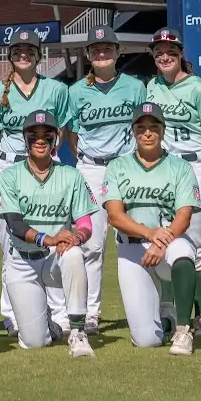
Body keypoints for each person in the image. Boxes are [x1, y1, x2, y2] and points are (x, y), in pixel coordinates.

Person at [0, 30, 73, 338]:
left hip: (48, 163)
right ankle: (12, 316)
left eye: (30, 50)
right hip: (11, 163)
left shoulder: (57, 89)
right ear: (10, 56)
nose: (24, 54)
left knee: (55, 233)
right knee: (12, 243)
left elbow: (62, 128)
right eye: (18, 50)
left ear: (39, 55)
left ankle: (60, 315)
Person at [0, 110, 98, 357]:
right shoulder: (10, 176)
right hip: (23, 261)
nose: (40, 141)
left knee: (74, 255)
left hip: (55, 259)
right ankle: (47, 323)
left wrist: (76, 238)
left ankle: (78, 332)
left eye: (46, 136)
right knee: (34, 342)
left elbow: (85, 223)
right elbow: (14, 224)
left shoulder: (70, 175)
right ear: (25, 139)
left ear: (55, 140)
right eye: (34, 135)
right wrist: (49, 239)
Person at [66, 25, 147, 335]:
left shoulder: (135, 87)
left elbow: (143, 128)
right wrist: (88, 160)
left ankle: (142, 307)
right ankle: (90, 313)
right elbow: (72, 134)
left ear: (118, 51)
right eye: (96, 49)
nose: (102, 53)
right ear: (88, 55)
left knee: (133, 239)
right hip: (92, 168)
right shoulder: (76, 91)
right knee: (92, 245)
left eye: (107, 48)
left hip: (126, 168)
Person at [103, 102, 201, 355]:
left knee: (183, 256)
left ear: (163, 130)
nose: (147, 133)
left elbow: (184, 215)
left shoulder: (180, 167)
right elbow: (114, 216)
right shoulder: (117, 167)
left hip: (170, 242)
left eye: (154, 127)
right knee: (147, 340)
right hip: (132, 249)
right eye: (141, 128)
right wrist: (149, 234)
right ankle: (165, 315)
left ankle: (182, 330)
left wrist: (160, 242)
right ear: (133, 132)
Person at [145, 27, 201, 337]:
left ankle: (200, 314)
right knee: (162, 239)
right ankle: (168, 311)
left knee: (196, 243)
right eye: (159, 51)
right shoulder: (151, 87)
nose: (165, 56)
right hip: (160, 169)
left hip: (190, 166)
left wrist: (196, 161)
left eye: (170, 51)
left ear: (181, 55)